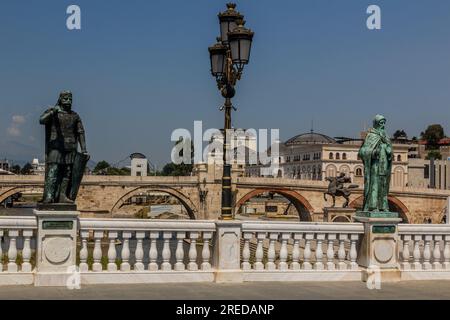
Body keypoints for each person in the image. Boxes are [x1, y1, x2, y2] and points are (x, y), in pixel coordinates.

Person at [39, 91, 89, 204]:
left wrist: (84, 149)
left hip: (70, 148)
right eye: (66, 98)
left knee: (67, 173)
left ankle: (62, 195)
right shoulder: (53, 113)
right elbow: (41, 120)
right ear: (60, 99)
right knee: (53, 171)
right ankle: (49, 196)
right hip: (56, 147)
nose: (69, 101)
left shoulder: (75, 116)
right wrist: (52, 112)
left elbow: (81, 132)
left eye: (70, 99)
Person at [358, 114, 392, 212]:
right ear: (376, 123)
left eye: (384, 123)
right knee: (375, 185)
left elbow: (390, 150)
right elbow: (362, 151)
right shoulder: (371, 135)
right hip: (375, 165)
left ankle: (383, 206)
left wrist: (389, 149)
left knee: (383, 186)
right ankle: (373, 206)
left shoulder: (385, 135)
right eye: (381, 123)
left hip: (384, 165)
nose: (383, 125)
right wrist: (372, 152)